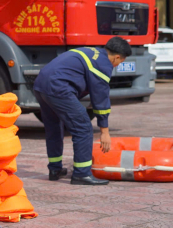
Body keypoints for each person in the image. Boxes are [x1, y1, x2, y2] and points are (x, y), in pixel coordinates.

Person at [32, 37, 132, 185]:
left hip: (40, 85)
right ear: (117, 57)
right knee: (83, 128)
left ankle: (55, 169)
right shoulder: (103, 64)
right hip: (59, 88)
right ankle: (82, 174)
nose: (117, 65)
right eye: (120, 62)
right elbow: (101, 98)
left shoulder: (92, 52)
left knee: (54, 127)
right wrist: (104, 131)